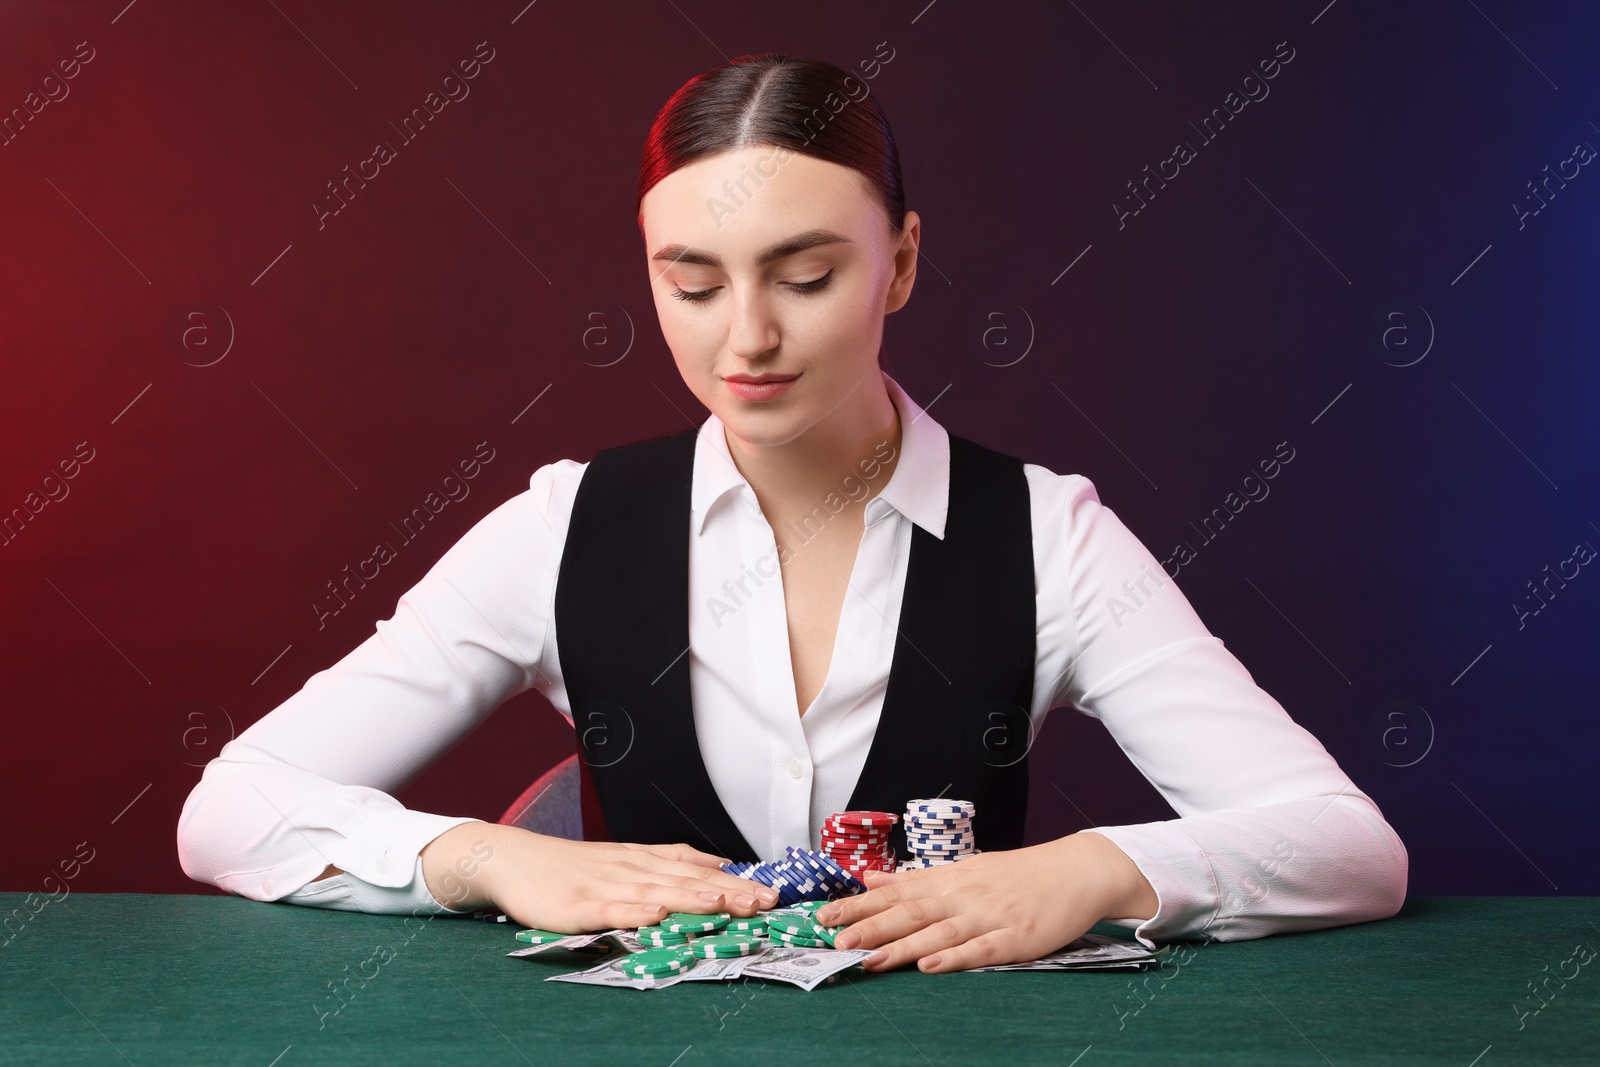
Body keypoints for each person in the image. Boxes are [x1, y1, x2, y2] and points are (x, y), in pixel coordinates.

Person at [177, 53, 1407, 974]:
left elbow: (1348, 844)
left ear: (902, 264)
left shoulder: (1048, 534)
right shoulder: (561, 527)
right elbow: (228, 809)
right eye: (693, 283)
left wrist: (1096, 867)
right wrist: (487, 856)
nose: (746, 338)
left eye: (806, 277)